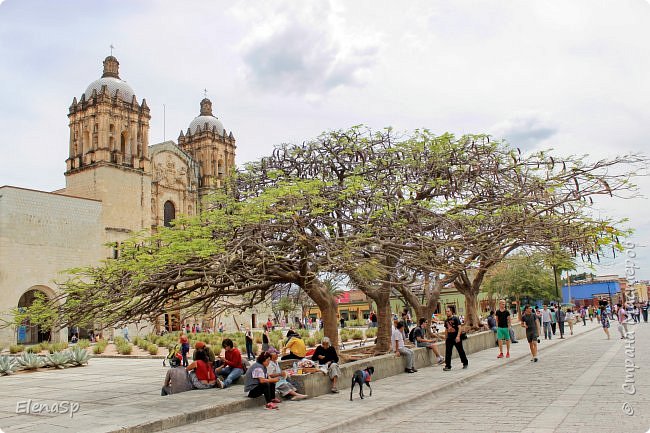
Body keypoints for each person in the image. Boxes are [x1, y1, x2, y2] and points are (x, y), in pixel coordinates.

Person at [442, 305, 468, 371]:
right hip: (449, 338)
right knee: (448, 352)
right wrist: (446, 338)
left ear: (451, 312)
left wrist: (458, 336)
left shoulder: (455, 318)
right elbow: (446, 330)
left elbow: (460, 328)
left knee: (460, 350)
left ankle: (465, 363)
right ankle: (448, 366)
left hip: (456, 337)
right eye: (446, 311)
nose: (447, 312)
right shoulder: (446, 321)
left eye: (448, 311)